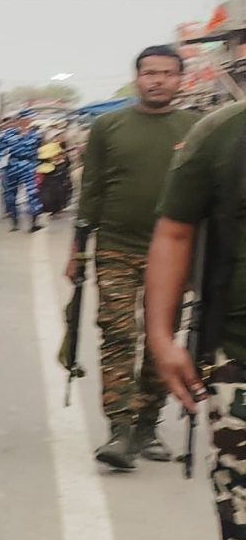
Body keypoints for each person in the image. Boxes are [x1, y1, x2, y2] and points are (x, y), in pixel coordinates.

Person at [143, 82, 246, 540]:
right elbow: (175, 232)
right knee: (245, 525)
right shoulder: (223, 133)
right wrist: (161, 337)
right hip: (240, 366)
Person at [76, 45, 206, 471]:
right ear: (137, 77)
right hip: (115, 246)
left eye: (167, 73)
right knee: (116, 334)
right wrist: (78, 248)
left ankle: (148, 424)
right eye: (150, 73)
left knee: (159, 340)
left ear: (180, 80)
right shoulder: (108, 126)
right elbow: (92, 189)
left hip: (175, 255)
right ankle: (119, 429)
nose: (158, 80)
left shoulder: (197, 128)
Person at [0, 113, 45, 231]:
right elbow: (0, 152)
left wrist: (37, 164)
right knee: (10, 195)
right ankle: (14, 221)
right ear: (18, 120)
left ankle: (34, 222)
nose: (25, 121)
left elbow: (38, 150)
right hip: (12, 166)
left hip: (29, 165)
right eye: (22, 119)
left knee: (32, 193)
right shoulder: (8, 135)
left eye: (28, 119)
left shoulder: (35, 135)